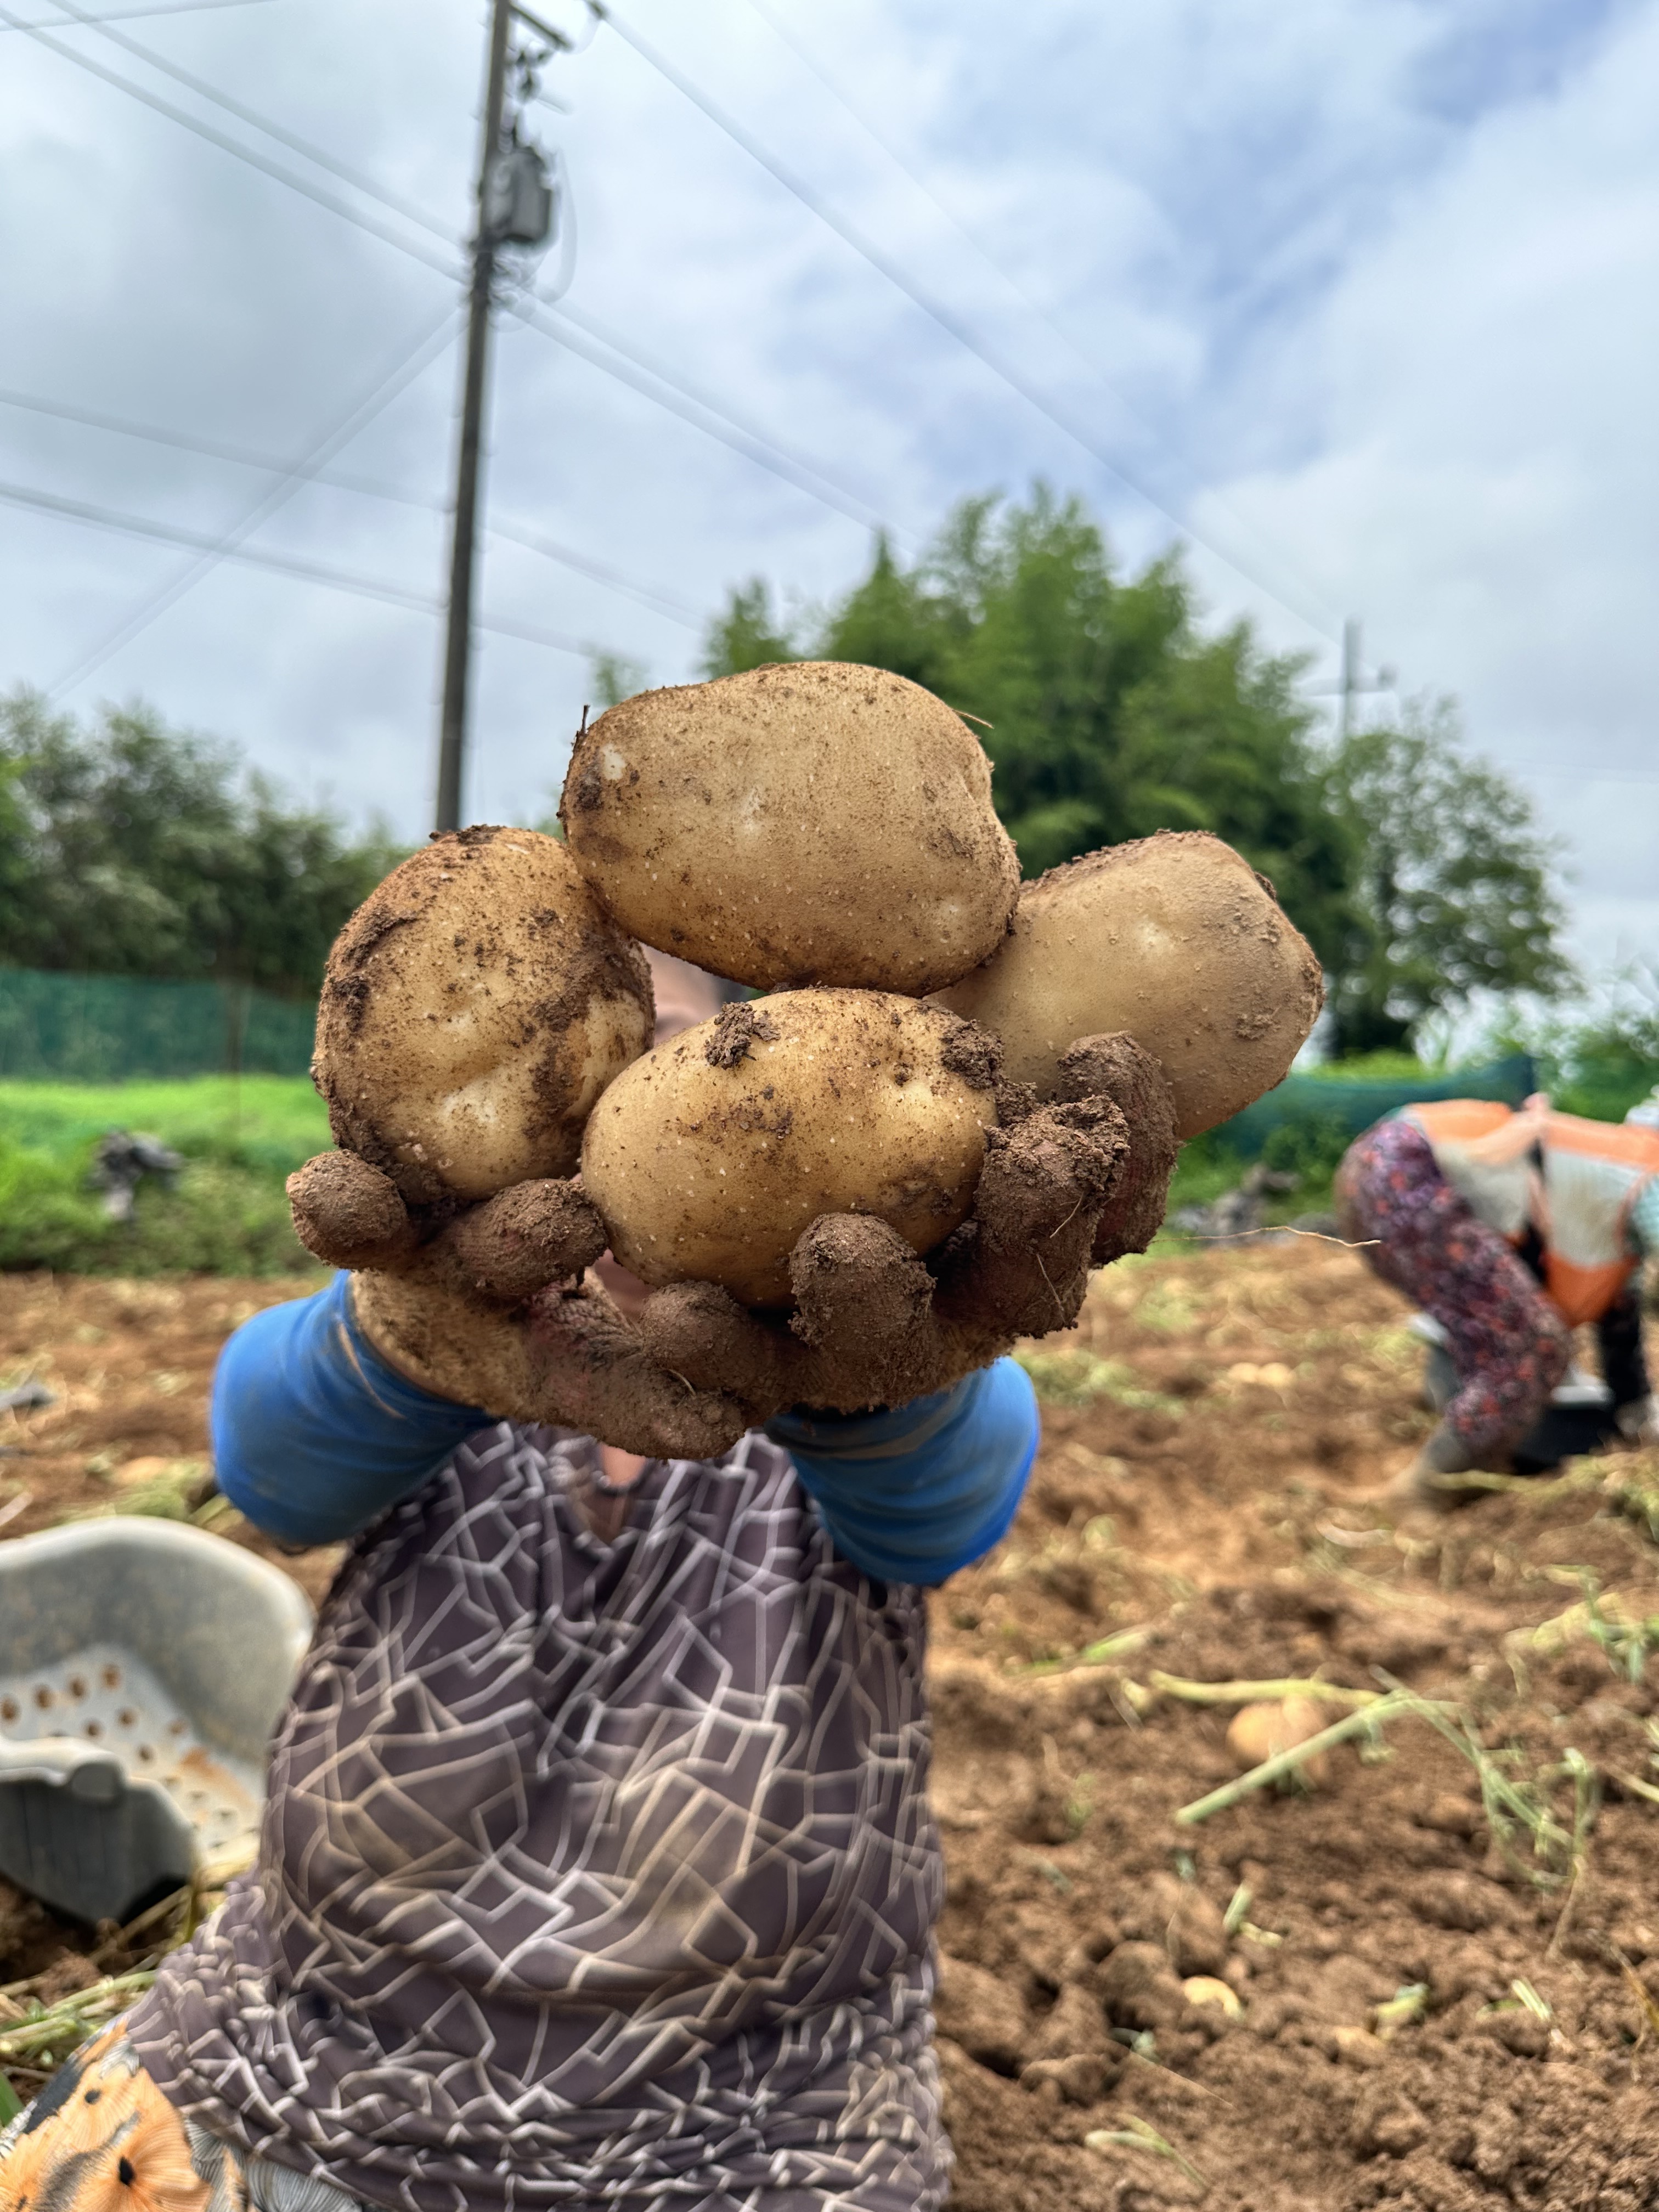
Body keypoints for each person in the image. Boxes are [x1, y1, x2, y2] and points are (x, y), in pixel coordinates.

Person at [0, 955, 1054, 2212]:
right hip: (310, 2051)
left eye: (679, 1053)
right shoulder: (466, 1324)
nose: (629, 1107)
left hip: (744, 2122)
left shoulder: (861, 1365)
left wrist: (851, 1385)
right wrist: (420, 1338)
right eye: (582, 1059)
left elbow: (947, 1505)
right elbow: (273, 1464)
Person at [1335, 1093, 1659, 1505]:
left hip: (1377, 1172)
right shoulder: (1648, 1170)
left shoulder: (1612, 1201)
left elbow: (1620, 1322)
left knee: (1503, 1334)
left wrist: (1637, 1413)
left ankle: (1465, 1463)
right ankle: (1424, 1491)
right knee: (1534, 1345)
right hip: (1407, 1171)